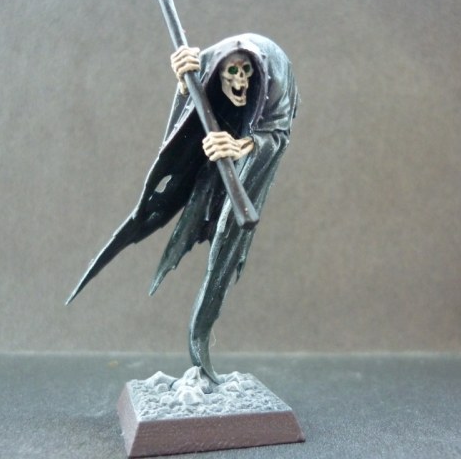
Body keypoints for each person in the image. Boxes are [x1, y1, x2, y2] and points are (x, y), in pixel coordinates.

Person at [67, 33, 298, 382]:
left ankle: (202, 332)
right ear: (219, 70)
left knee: (228, 232)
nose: (240, 81)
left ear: (256, 71)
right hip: (218, 127)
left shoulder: (276, 80)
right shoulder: (202, 65)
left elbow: (278, 133)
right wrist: (183, 86)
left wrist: (243, 145)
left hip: (258, 129)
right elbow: (179, 134)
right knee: (192, 189)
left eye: (246, 71)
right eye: (232, 72)